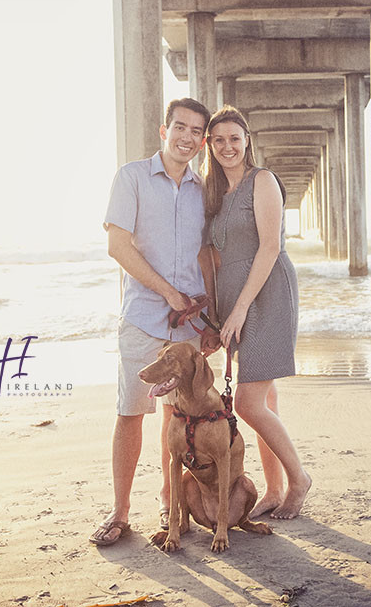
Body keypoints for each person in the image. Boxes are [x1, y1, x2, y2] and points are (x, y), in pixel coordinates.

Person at [90, 97, 215, 546]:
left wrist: (212, 317)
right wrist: (168, 292)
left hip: (189, 327)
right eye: (178, 127)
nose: (186, 137)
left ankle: (169, 501)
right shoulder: (132, 178)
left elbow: (210, 256)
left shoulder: (205, 191)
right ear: (165, 131)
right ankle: (120, 511)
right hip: (144, 317)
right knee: (130, 412)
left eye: (195, 131)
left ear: (203, 142)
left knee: (177, 416)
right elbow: (118, 247)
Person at [202, 105, 312, 519]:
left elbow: (269, 248)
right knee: (264, 395)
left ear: (247, 140)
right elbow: (213, 257)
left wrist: (241, 310)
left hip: (266, 294)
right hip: (234, 299)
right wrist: (218, 312)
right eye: (218, 140)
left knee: (248, 403)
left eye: (234, 137)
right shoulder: (215, 194)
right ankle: (273, 489)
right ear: (209, 146)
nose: (227, 146)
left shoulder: (262, 181)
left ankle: (298, 479)